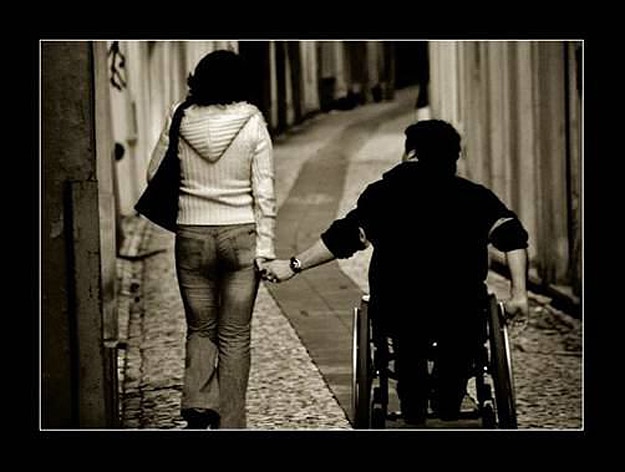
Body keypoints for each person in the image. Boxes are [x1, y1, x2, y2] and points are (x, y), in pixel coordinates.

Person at [262, 119, 529, 426]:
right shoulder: (474, 196)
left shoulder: (382, 195)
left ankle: (413, 403)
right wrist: (519, 294)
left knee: (406, 339)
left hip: (398, 306)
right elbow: (512, 236)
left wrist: (293, 266)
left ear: (411, 153)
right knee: (459, 338)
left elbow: (343, 238)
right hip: (461, 308)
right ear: (453, 158)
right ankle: (448, 399)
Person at [147, 50, 276, 429]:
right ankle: (231, 421)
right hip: (241, 237)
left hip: (192, 235)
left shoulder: (180, 116)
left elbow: (154, 173)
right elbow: (264, 191)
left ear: (198, 79)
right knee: (235, 335)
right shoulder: (253, 121)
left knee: (200, 327)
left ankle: (200, 403)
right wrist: (266, 250)